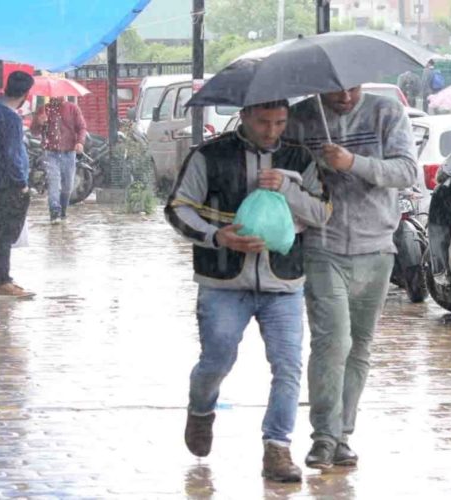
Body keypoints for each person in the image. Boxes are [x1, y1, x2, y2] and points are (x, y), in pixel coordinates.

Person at [166, 100, 331, 483]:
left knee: (288, 365)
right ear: (244, 117)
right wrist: (215, 236)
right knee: (217, 360)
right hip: (223, 282)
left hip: (284, 283)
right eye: (263, 122)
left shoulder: (299, 157)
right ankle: (201, 409)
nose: (272, 131)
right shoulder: (208, 155)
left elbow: (322, 212)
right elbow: (178, 208)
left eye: (279, 122)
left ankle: (277, 448)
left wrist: (288, 187)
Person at [286, 86, 418, 469]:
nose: (345, 95)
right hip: (322, 245)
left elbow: (406, 170)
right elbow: (288, 174)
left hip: (377, 248)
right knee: (332, 342)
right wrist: (314, 174)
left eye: (353, 86)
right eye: (335, 88)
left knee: (359, 345)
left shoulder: (386, 112)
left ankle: (343, 434)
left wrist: (352, 162)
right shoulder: (302, 118)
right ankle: (323, 437)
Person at [0, 71, 36, 299]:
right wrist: (22, 184)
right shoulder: (11, 118)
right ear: (25, 94)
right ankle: (0, 281)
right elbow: (13, 155)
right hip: (8, 185)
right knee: (4, 234)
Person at [31, 96, 87, 223]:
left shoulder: (72, 108)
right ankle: (54, 211)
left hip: (69, 152)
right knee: (54, 181)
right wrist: (39, 122)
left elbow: (82, 127)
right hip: (50, 153)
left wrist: (80, 142)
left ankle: (63, 211)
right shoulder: (44, 110)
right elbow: (33, 131)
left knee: (68, 186)